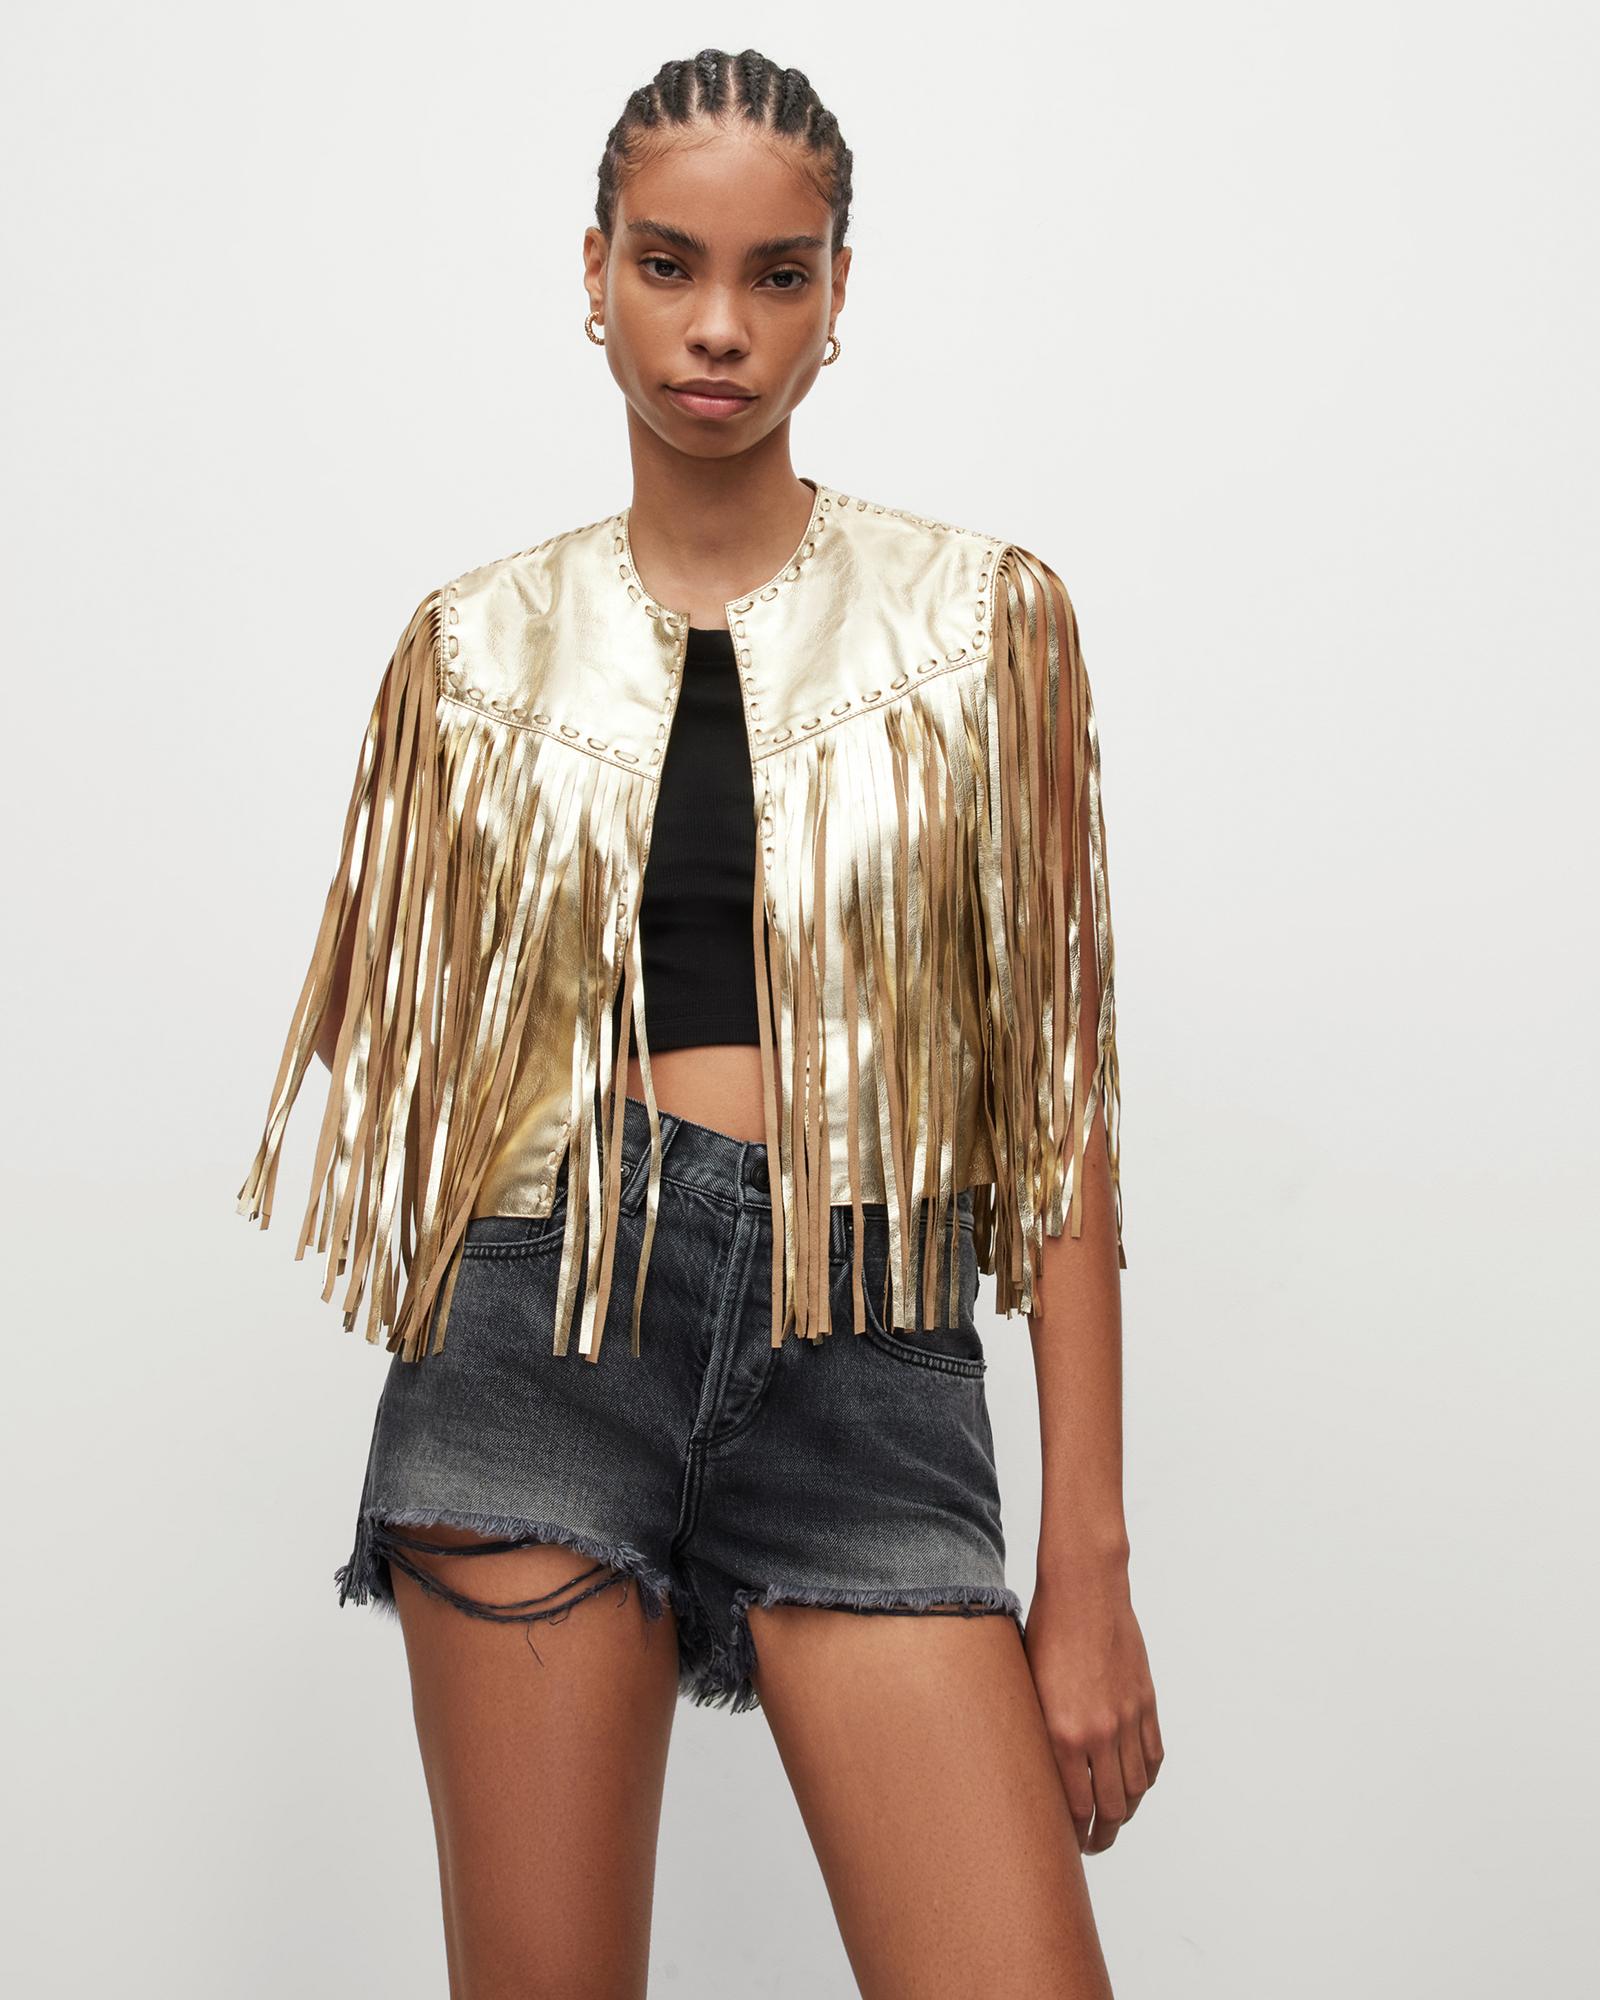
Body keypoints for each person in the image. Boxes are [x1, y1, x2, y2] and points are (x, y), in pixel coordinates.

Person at [237, 45, 1161, 1999]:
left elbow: (1055, 1098)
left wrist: (1086, 1562)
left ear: (838, 293)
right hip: (544, 1327)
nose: (718, 327)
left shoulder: (983, 622)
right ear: (594, 272)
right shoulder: (469, 652)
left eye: (774, 273)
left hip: (870, 1344)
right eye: (668, 264)